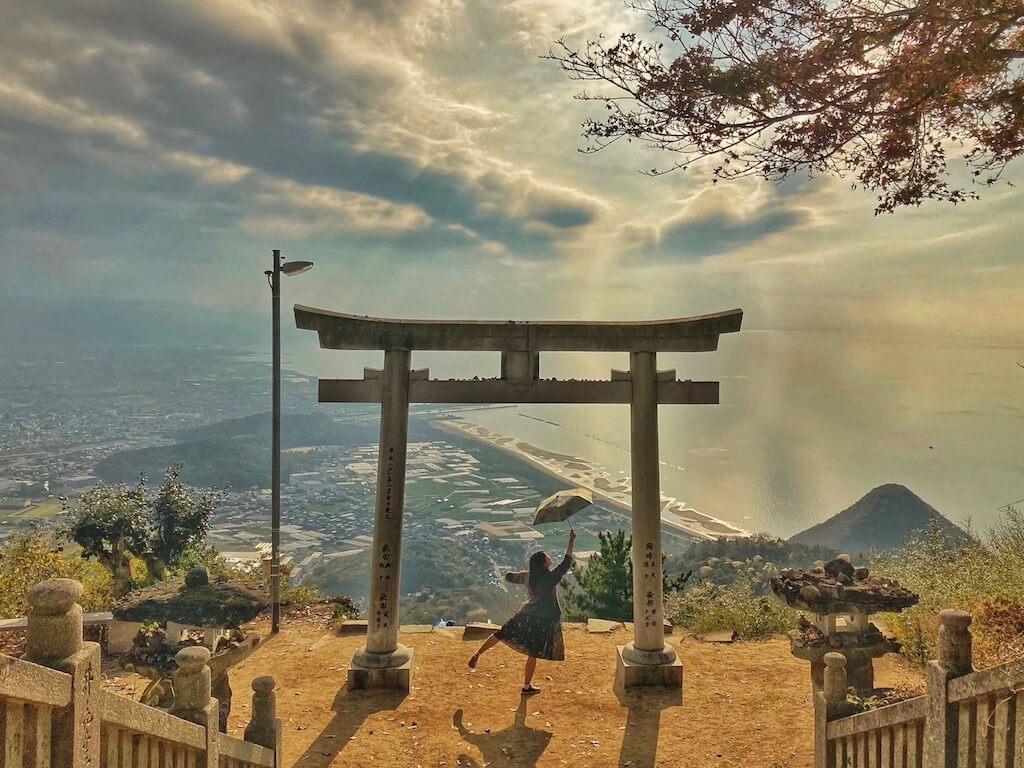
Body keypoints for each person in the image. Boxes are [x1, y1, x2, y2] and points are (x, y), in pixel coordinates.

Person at [468, 528, 576, 694]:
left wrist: (502, 572)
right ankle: (526, 686)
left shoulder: (529, 576)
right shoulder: (549, 578)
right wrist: (571, 540)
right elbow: (566, 563)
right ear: (544, 563)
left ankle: (478, 653)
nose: (549, 557)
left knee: (501, 633)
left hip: (525, 615)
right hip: (543, 619)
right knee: (532, 653)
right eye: (547, 556)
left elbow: (511, 577)